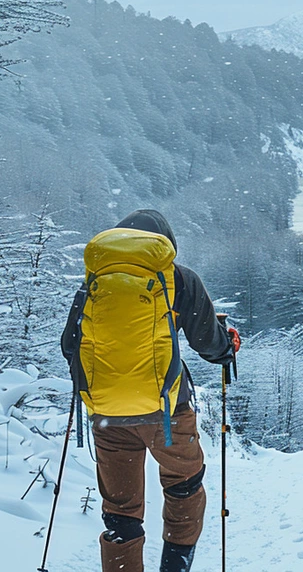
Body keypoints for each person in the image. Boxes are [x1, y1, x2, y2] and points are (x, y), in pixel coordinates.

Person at [61, 209, 238, 572]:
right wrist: (227, 350)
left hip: (109, 415)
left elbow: (69, 345)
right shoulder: (178, 279)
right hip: (168, 412)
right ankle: (175, 564)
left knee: (120, 511)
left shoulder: (94, 283)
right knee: (184, 484)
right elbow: (207, 342)